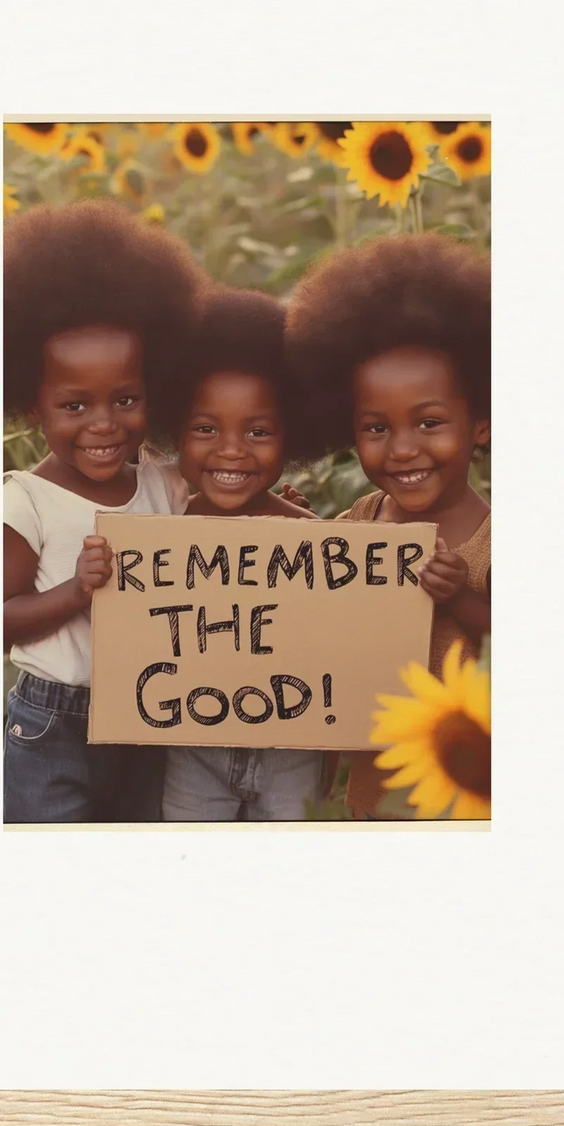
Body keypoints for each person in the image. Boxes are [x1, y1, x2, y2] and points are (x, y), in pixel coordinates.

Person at [1, 200, 201, 822]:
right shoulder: (25, 500)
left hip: (151, 712)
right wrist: (76, 591)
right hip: (50, 724)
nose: (104, 424)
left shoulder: (161, 487)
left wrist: (276, 516)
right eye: (74, 406)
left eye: (125, 399)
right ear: (33, 408)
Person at [287, 235, 491, 819]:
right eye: (376, 429)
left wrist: (460, 601)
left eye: (429, 422)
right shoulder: (362, 520)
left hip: (467, 796)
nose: (403, 449)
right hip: (374, 792)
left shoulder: (495, 542)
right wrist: (290, 521)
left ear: (480, 425)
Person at [157, 287, 327, 822]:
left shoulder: (313, 538)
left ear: (292, 436)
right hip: (192, 745)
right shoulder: (159, 535)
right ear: (174, 432)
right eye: (206, 429)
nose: (231, 449)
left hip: (292, 747)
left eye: (258, 431)